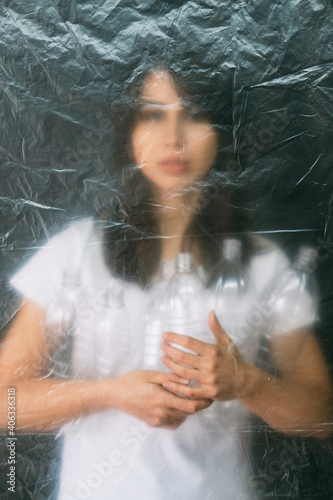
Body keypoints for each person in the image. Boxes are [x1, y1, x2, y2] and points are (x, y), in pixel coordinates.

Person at [0, 53, 332, 500]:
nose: (173, 139)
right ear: (129, 133)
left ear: (222, 134)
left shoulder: (263, 264)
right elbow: (6, 402)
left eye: (193, 115)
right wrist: (111, 393)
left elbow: (323, 412)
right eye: (153, 115)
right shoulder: (75, 253)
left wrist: (246, 383)